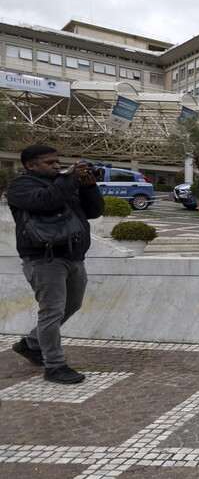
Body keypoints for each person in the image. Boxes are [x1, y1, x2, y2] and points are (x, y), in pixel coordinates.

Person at [8, 145, 104, 385]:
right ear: (30, 165)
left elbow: (94, 212)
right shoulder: (21, 186)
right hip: (44, 258)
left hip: (74, 256)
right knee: (51, 311)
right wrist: (70, 179)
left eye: (57, 162)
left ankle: (30, 343)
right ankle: (54, 366)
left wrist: (89, 186)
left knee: (72, 305)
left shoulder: (63, 183)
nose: (55, 166)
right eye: (48, 162)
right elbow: (47, 202)